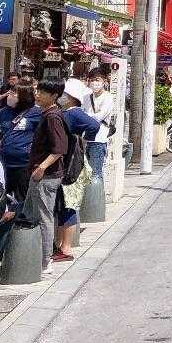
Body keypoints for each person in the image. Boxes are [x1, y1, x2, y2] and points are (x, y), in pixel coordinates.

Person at [27, 80, 69, 271]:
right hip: (41, 174)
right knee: (32, 214)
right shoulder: (47, 114)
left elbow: (59, 149)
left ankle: (45, 260)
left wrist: (42, 168)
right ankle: (35, 256)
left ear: (53, 96)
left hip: (47, 176)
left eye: (42, 92)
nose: (37, 94)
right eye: (37, 91)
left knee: (44, 218)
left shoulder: (53, 117)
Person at [55, 88, 100, 256]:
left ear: (72, 98)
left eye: (65, 94)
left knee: (68, 205)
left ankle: (66, 247)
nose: (61, 97)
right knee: (62, 205)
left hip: (71, 165)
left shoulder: (74, 113)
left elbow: (94, 125)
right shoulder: (65, 112)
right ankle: (60, 245)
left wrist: (82, 140)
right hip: (66, 163)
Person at [0, 85, 41, 202]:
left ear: (24, 97)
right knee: (1, 196)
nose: (10, 96)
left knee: (21, 198)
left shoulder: (36, 112)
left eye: (14, 93)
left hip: (23, 163)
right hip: (4, 161)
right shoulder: (4, 112)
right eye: (10, 93)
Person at [87, 72, 115, 180]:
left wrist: (84, 116)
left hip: (99, 139)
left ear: (104, 81)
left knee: (96, 174)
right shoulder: (86, 97)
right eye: (92, 80)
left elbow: (98, 117)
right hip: (85, 139)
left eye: (97, 79)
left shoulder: (108, 97)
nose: (94, 82)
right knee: (85, 175)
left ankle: (98, 191)